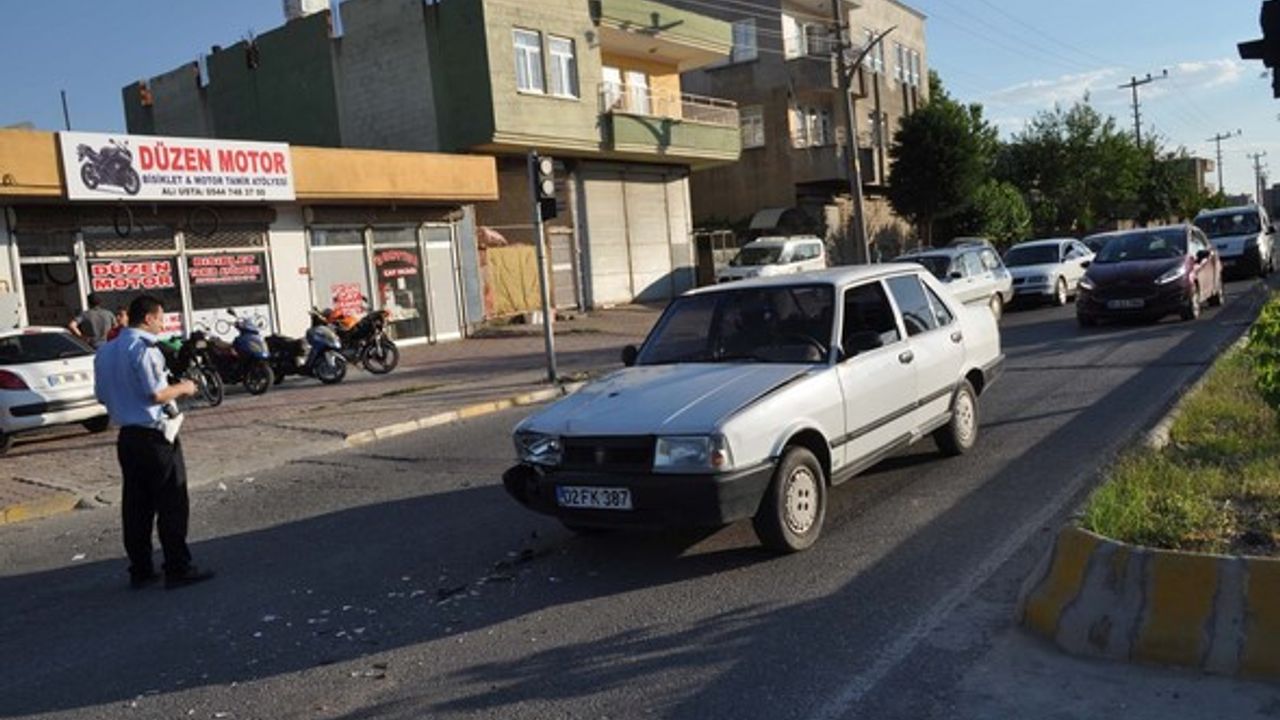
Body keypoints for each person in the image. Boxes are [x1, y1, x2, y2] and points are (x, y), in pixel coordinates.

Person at [94, 295, 214, 590]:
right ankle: (177, 567)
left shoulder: (105, 351)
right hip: (155, 436)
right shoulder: (145, 348)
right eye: (160, 318)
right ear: (148, 318)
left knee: (136, 506)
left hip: (128, 437)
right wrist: (185, 387)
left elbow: (101, 396)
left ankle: (141, 569)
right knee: (171, 502)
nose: (162, 325)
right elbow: (156, 394)